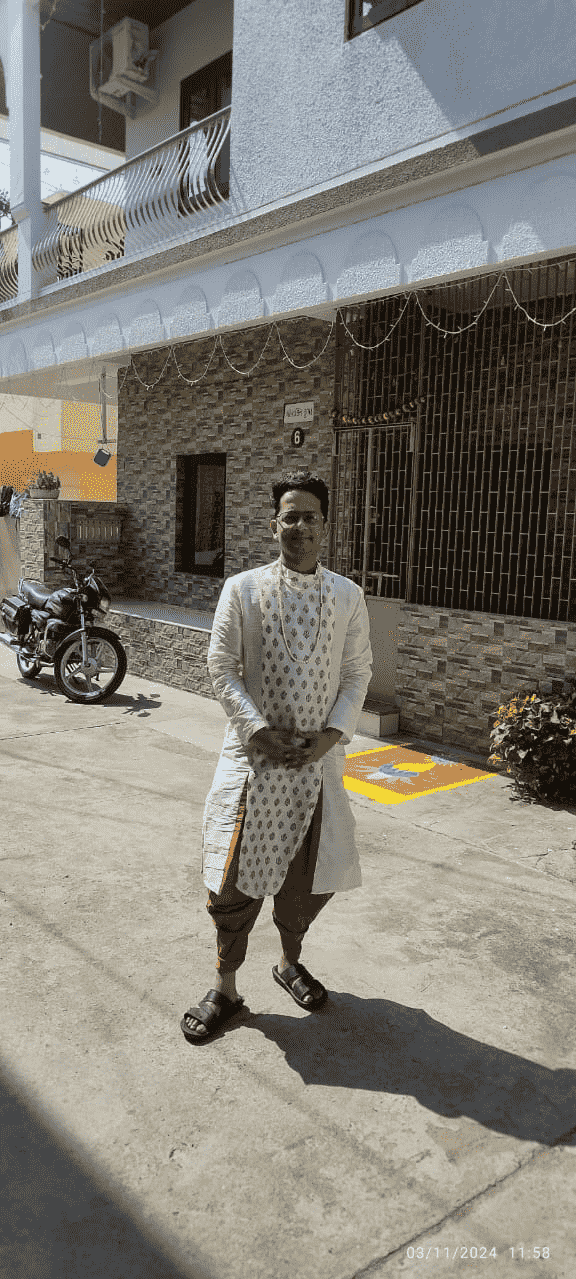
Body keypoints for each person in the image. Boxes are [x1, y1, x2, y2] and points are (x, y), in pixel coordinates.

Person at [181, 469, 372, 1042]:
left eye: (310, 516)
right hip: (253, 764)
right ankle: (225, 989)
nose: (300, 526)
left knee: (307, 879)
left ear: (325, 526)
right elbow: (221, 667)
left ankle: (289, 963)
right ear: (274, 525)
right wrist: (258, 731)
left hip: (317, 766)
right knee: (232, 880)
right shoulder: (241, 589)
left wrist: (330, 737)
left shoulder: (348, 595)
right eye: (290, 516)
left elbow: (357, 672)